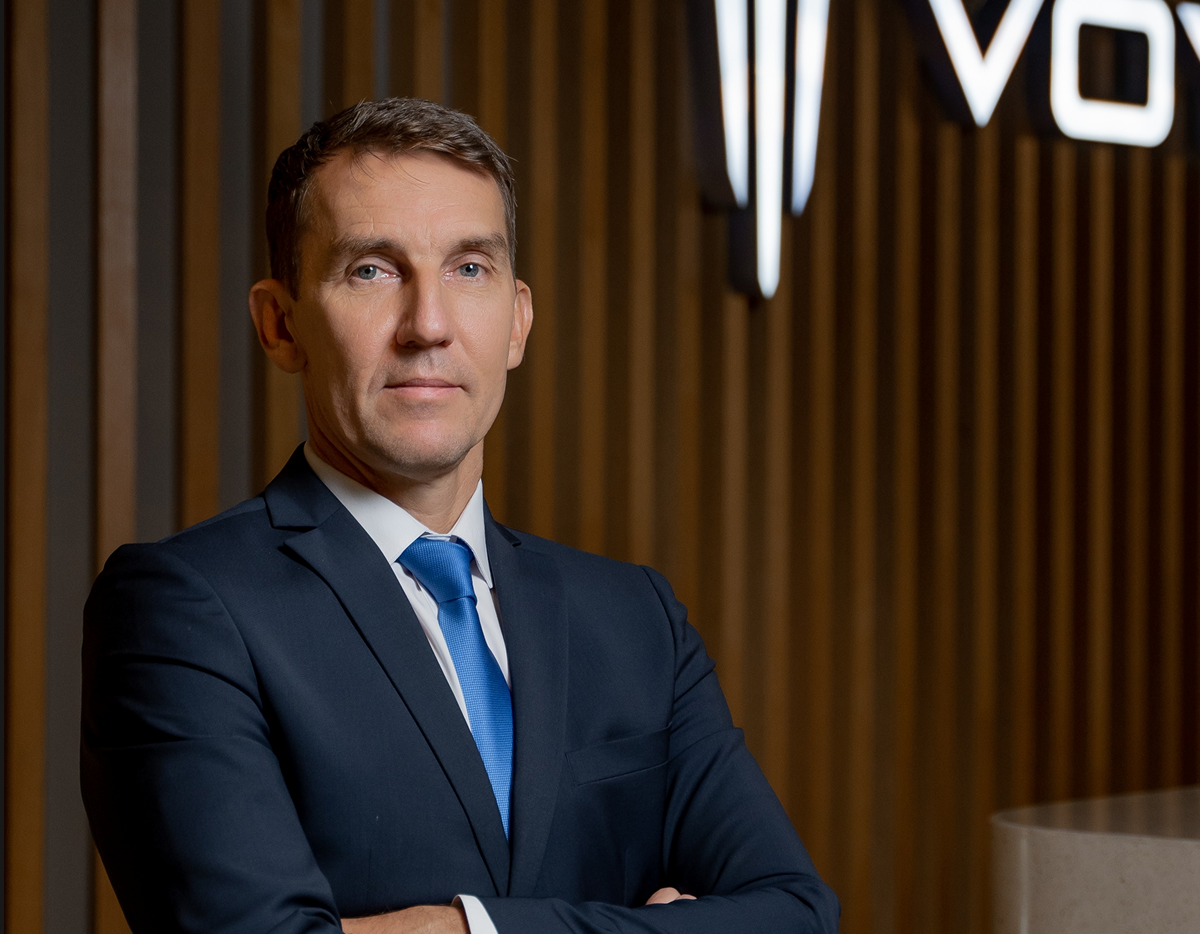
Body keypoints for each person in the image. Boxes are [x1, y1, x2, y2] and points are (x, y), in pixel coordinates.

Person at [81, 97, 839, 934]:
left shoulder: (637, 621)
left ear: (517, 321)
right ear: (281, 324)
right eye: (372, 270)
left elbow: (797, 915)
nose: (429, 326)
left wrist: (462, 928)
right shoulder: (181, 610)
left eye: (469, 269)